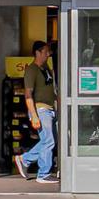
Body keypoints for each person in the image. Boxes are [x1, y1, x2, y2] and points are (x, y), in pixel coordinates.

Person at [16, 40, 58, 183]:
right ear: (37, 53)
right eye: (45, 52)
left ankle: (24, 159)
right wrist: (34, 115)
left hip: (50, 109)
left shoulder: (45, 68)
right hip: (40, 109)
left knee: (50, 140)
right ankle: (43, 174)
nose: (48, 54)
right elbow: (28, 95)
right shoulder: (31, 70)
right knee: (49, 140)